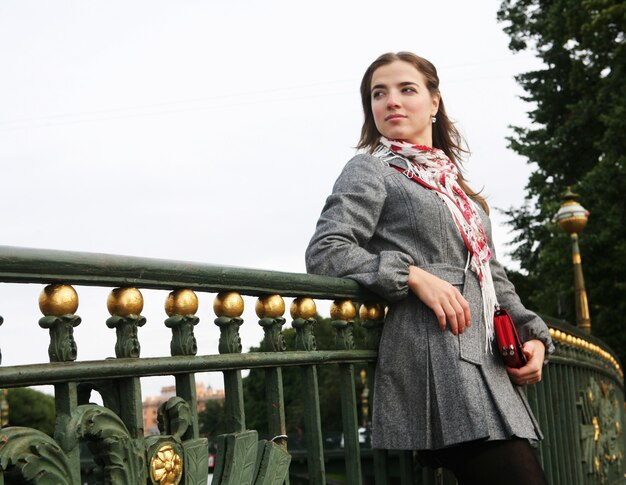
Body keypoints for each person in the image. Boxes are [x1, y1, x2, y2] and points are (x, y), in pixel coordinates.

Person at [305, 52, 554, 484]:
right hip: (436, 357)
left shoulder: (456, 189)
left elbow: (491, 275)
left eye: (406, 89)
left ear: (434, 102)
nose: (391, 101)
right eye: (378, 94)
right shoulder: (370, 169)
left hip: (490, 359)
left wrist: (535, 337)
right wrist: (413, 276)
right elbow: (326, 249)